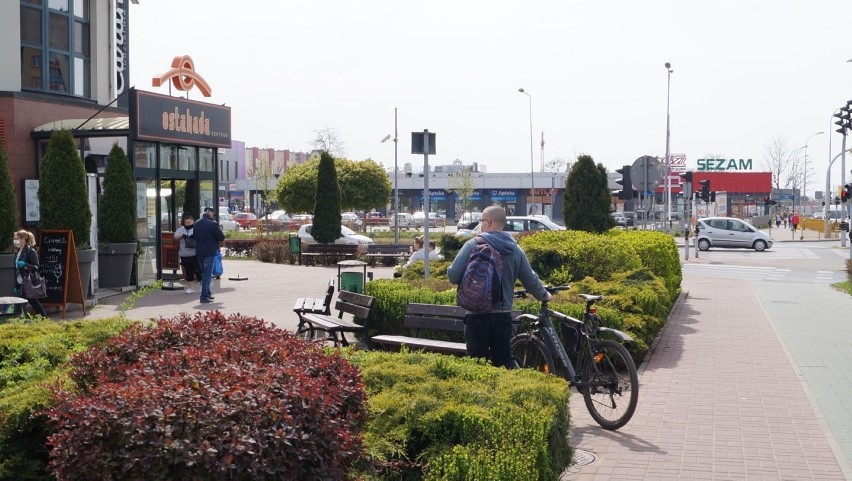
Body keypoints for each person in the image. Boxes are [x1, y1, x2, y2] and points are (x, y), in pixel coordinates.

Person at [448, 206, 551, 368]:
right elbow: (530, 280)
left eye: (482, 221)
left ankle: (480, 392)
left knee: (477, 362)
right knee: (503, 359)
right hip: (502, 315)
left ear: (488, 222)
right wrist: (545, 295)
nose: (481, 224)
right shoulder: (516, 250)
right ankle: (507, 390)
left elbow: (453, 276)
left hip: (476, 314)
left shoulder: (472, 244)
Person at [193, 207, 225, 304]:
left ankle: (207, 293)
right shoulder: (213, 224)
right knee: (207, 275)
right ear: (210, 215)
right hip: (209, 252)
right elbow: (221, 236)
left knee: (204, 273)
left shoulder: (196, 223)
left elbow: (194, 236)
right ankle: (203, 296)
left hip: (199, 252)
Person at [13, 229, 47, 317]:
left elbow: (36, 267)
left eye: (17, 238)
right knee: (19, 302)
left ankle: (44, 319)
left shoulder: (31, 251)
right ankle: (20, 321)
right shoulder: (17, 252)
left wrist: (25, 264)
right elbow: (16, 269)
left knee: (33, 302)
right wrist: (16, 285)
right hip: (20, 282)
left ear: (23, 239)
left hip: (28, 282)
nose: (15, 241)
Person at [174, 213, 200, 294]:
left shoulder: (197, 228)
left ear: (193, 221)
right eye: (186, 223)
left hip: (195, 254)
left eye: (189, 222)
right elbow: (175, 237)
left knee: (198, 271)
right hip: (184, 254)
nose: (188, 224)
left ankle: (202, 287)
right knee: (188, 272)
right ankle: (191, 288)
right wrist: (181, 236)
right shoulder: (181, 229)